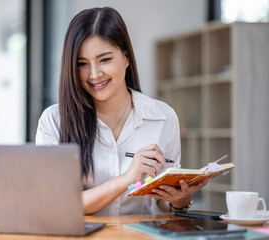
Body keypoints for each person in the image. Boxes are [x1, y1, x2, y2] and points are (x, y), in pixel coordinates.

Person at [35, 7, 210, 215]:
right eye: (82, 64)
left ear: (126, 57)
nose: (94, 74)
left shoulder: (164, 118)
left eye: (105, 60)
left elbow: (164, 204)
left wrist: (181, 200)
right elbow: (59, 204)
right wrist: (127, 178)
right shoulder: (54, 121)